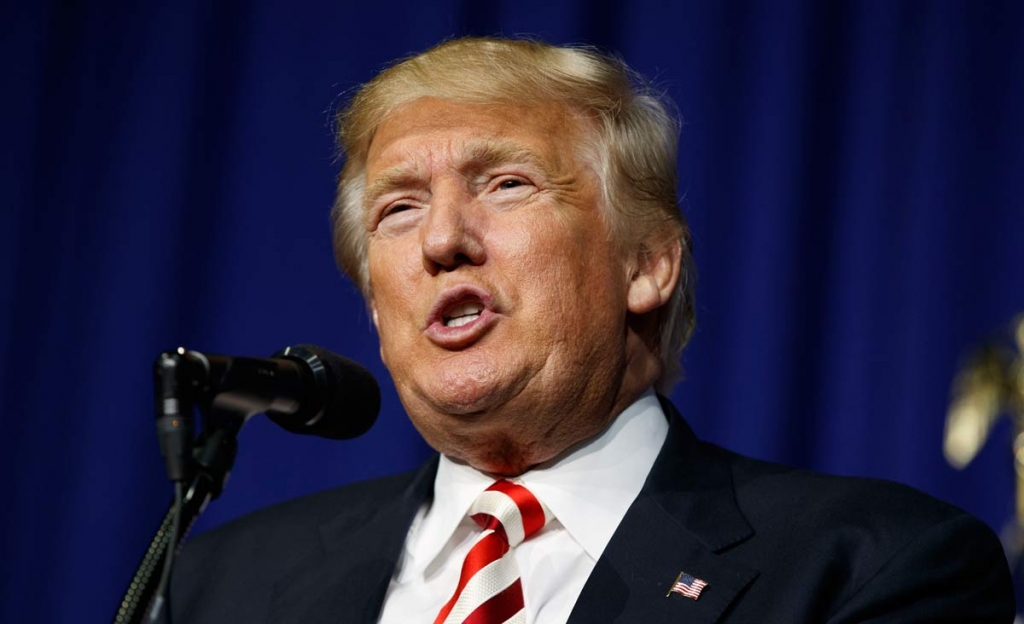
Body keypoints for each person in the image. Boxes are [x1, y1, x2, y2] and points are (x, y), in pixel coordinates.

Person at [167, 37, 1014, 623]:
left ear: (647, 265)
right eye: (398, 208)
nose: (441, 240)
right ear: (375, 305)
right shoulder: (217, 589)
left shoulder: (871, 567)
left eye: (506, 184)